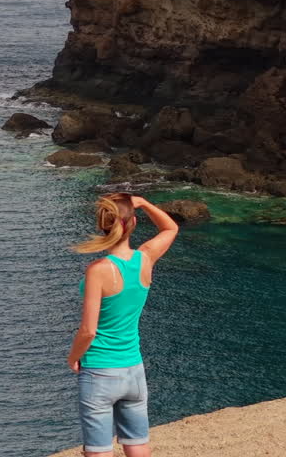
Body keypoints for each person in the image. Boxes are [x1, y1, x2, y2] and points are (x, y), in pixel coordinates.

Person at [66, 192, 178, 456]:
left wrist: (73, 358)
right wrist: (145, 203)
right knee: (137, 443)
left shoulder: (99, 269)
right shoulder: (145, 258)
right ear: (133, 223)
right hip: (134, 370)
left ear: (101, 225)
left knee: (99, 449)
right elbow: (170, 227)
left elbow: (88, 330)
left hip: (100, 371)